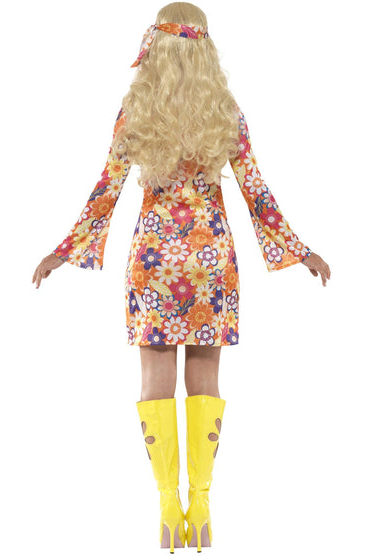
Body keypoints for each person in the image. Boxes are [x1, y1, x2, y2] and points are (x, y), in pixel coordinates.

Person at [32, 2, 331, 552]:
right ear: (206, 48)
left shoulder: (136, 110)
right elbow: (255, 190)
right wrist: (299, 249)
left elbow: (106, 191)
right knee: (205, 381)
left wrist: (64, 250)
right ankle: (203, 502)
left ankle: (169, 506)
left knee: (155, 383)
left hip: (154, 263)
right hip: (210, 259)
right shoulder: (225, 112)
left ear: (156, 45)